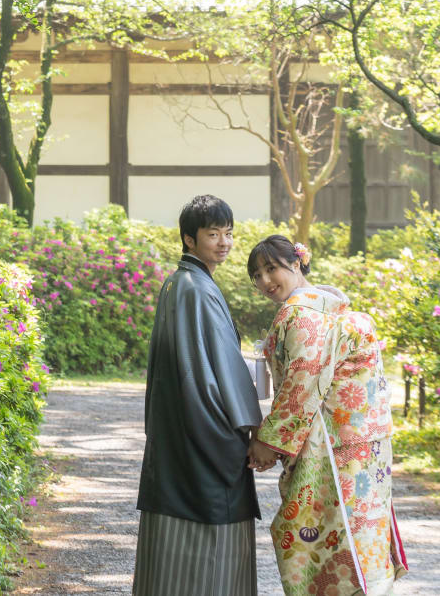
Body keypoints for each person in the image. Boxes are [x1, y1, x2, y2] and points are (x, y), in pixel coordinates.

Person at [247, 235, 408, 595]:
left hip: (334, 444)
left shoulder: (303, 313)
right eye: (256, 275)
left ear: (298, 262)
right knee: (360, 530)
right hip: (362, 441)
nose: (265, 281)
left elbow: (301, 383)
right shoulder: (331, 305)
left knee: (322, 535)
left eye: (271, 268)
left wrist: (267, 443)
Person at [133, 195, 263, 596]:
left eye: (228, 234)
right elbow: (226, 366)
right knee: (212, 528)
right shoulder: (198, 289)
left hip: (179, 426)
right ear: (189, 239)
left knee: (174, 531)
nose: (223, 242)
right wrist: (252, 428)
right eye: (212, 234)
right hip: (207, 429)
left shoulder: (178, 282)